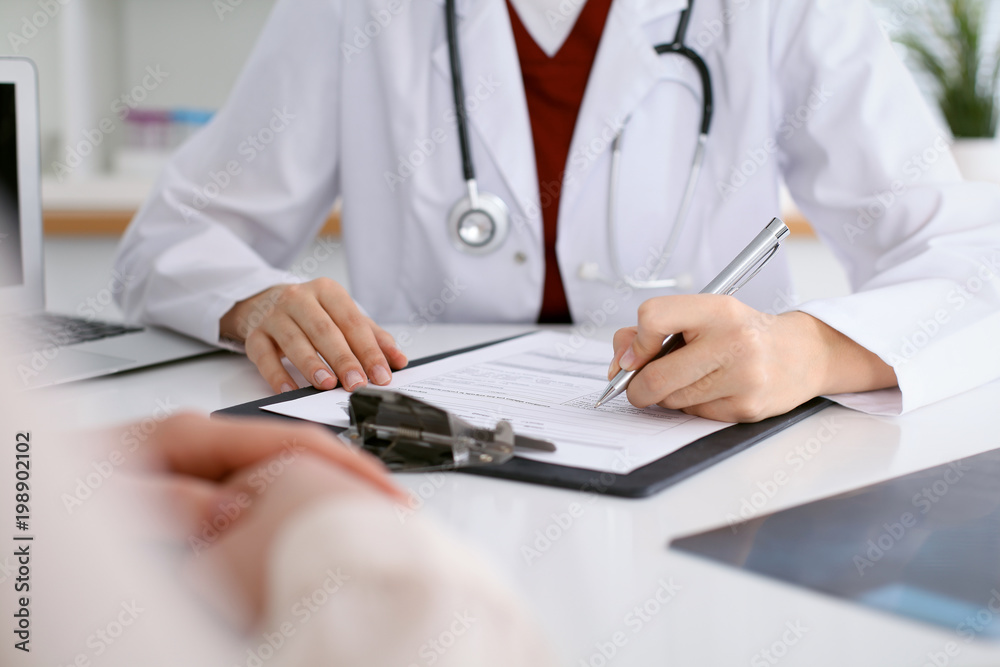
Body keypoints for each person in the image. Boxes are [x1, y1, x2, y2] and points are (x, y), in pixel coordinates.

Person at [114, 0, 1000, 422]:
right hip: (426, 467)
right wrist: (256, 300)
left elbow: (971, 262)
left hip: (712, 461)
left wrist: (811, 346)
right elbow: (170, 238)